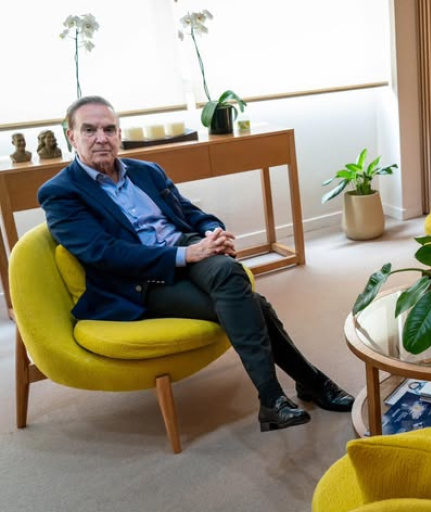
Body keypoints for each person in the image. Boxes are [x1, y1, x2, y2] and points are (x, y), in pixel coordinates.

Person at [38, 96, 354, 433]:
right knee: (251, 303)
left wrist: (212, 232)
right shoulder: (60, 192)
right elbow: (104, 253)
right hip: (139, 282)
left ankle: (275, 401)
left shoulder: (146, 171)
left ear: (119, 133)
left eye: (109, 129)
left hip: (187, 247)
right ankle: (303, 384)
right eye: (89, 130)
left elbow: (189, 213)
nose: (101, 138)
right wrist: (187, 255)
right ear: (72, 136)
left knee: (228, 271)